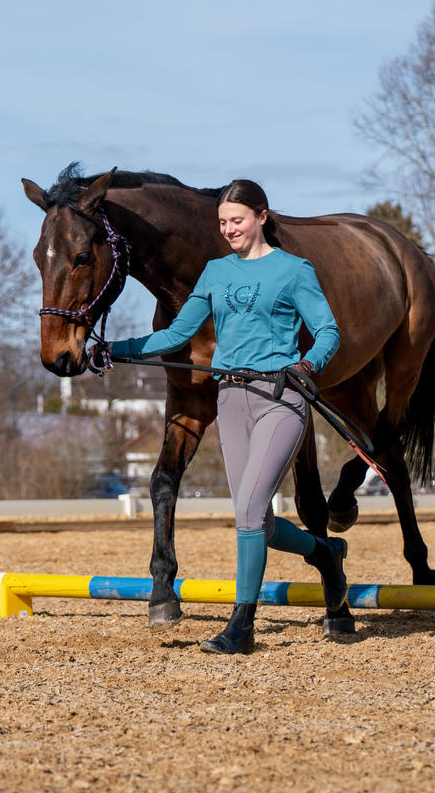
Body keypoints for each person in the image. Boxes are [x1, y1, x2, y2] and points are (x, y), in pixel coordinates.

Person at [105, 179, 348, 655]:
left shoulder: (294, 270)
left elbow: (327, 331)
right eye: (222, 222)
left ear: (261, 216)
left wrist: (307, 365)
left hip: (281, 398)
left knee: (250, 514)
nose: (228, 229)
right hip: (231, 398)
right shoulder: (215, 273)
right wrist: (115, 350)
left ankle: (242, 625)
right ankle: (327, 554)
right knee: (255, 518)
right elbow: (175, 332)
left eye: (237, 220)